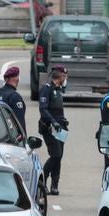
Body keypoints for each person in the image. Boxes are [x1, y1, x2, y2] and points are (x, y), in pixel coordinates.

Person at [37, 65, 69, 195]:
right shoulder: (47, 89)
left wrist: (63, 120)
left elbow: (57, 109)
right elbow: (43, 109)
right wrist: (53, 121)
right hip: (50, 128)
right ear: (60, 76)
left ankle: (55, 185)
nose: (66, 79)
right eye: (65, 76)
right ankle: (42, 181)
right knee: (55, 154)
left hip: (60, 128)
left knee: (59, 156)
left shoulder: (58, 90)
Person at [0, 66, 27, 133]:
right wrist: (23, 138)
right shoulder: (15, 97)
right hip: (9, 134)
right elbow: (19, 121)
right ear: (17, 79)